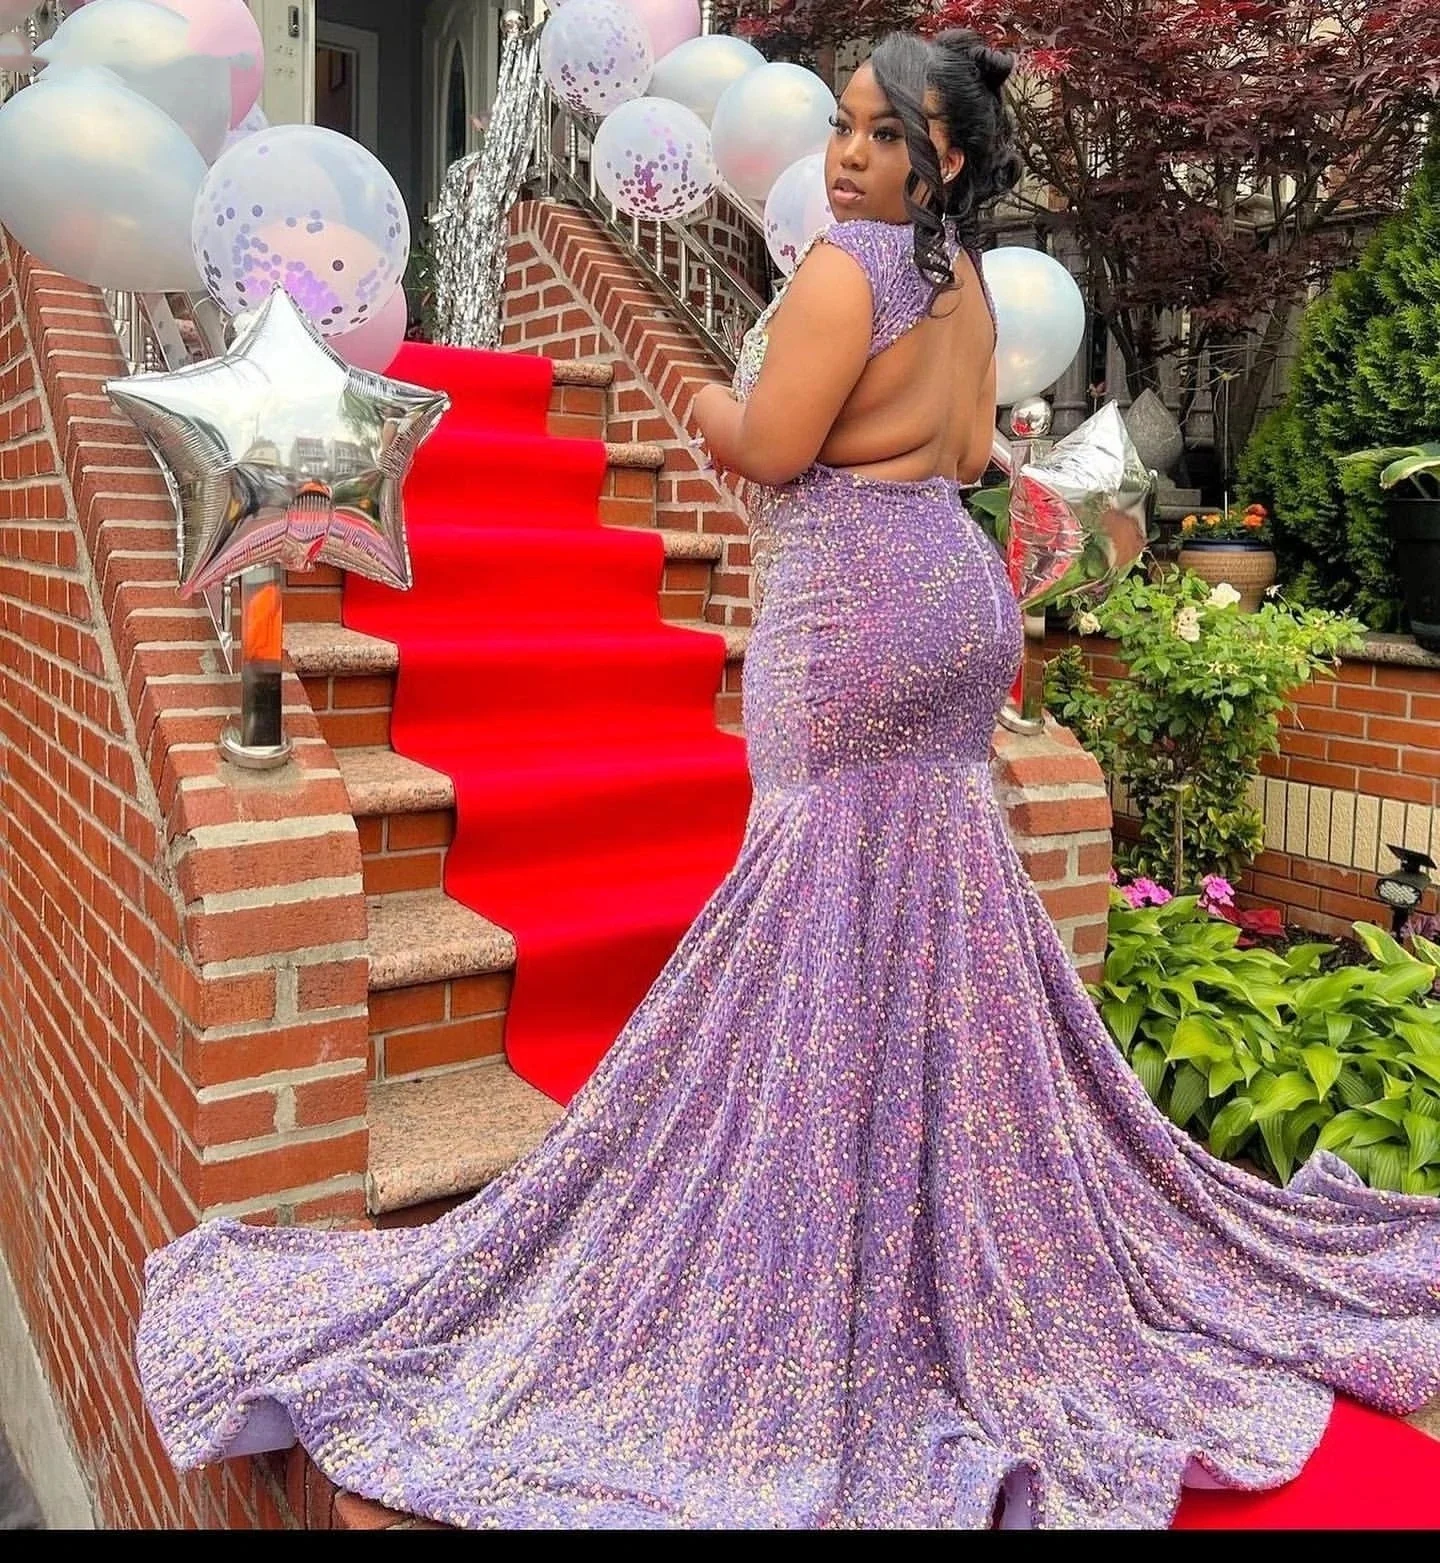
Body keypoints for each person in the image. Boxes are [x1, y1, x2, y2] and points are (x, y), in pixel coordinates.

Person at [136, 31, 1440, 1529]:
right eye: (843, 127)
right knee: (921, 902)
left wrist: (690, 396)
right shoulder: (962, 284)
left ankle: (833, 1233)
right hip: (950, 594)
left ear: (945, 158)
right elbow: (965, 446)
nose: (848, 156)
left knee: (820, 895)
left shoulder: (845, 269)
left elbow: (766, 451)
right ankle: (919, 1219)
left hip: (855, 611)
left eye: (884, 136)